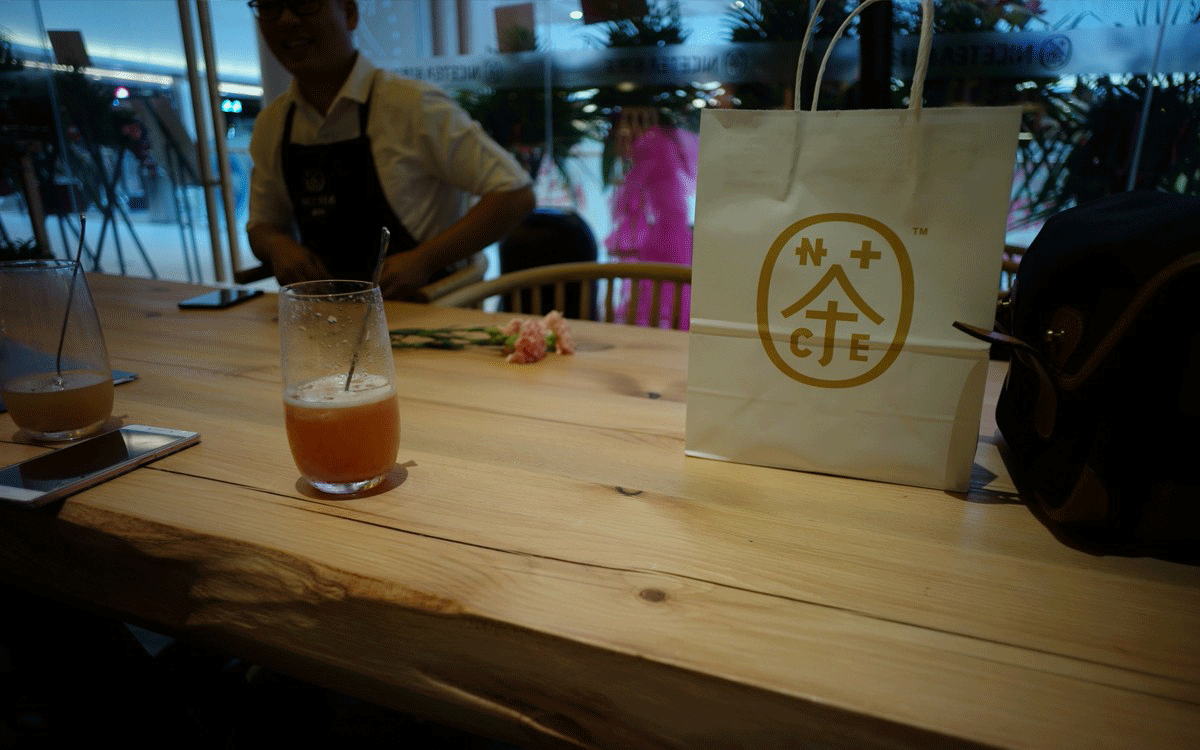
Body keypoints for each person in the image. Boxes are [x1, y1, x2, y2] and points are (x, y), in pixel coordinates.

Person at [246, 0, 535, 299]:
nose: (286, 20)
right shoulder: (273, 123)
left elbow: (515, 194)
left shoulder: (411, 105)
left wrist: (424, 260)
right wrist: (276, 245)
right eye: (269, 7)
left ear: (349, 13)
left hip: (422, 311)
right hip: (324, 313)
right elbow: (261, 226)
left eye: (304, 4)